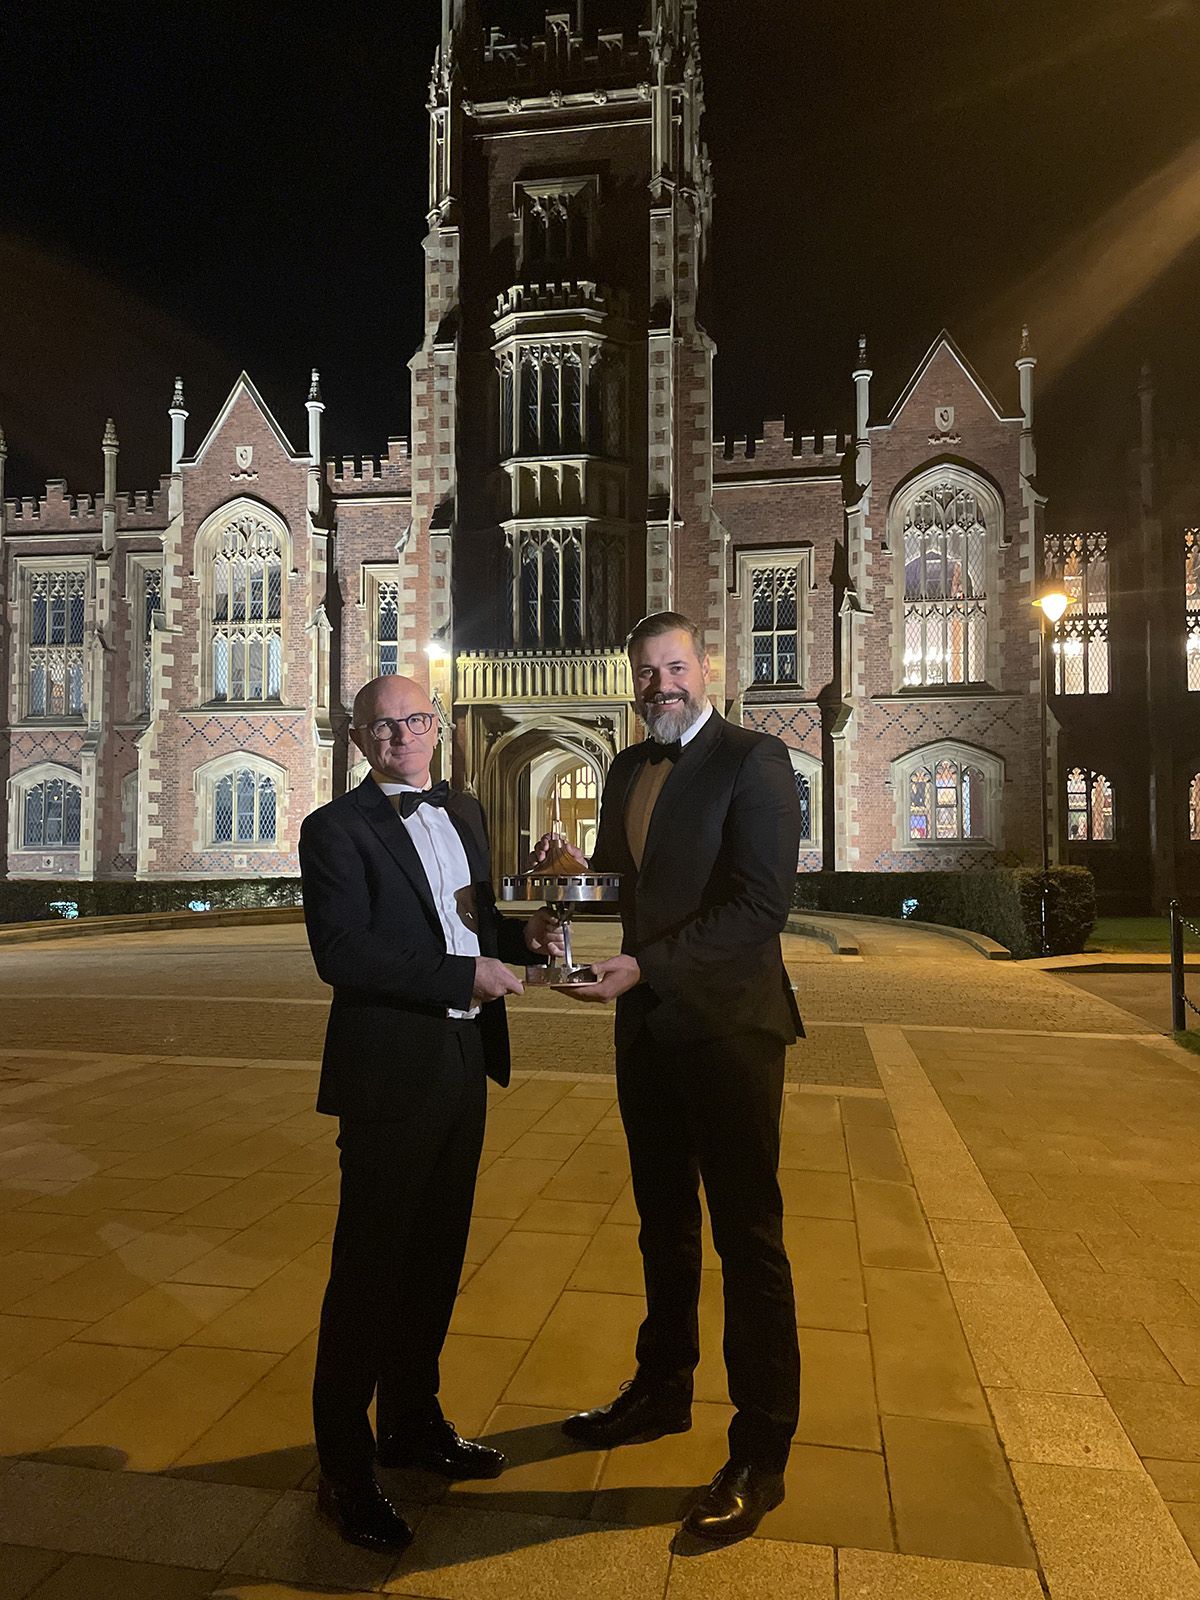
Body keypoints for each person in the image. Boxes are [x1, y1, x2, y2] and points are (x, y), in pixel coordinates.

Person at [534, 610, 803, 1542]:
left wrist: (646, 967)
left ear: (706, 668)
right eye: (646, 673)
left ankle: (761, 1453)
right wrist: (568, 877)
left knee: (748, 1240)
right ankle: (662, 1389)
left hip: (730, 1031)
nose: (660, 685)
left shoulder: (755, 762)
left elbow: (762, 907)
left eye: (674, 668)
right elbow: (622, 884)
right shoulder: (624, 767)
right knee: (663, 1227)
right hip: (649, 1034)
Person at [300, 674, 560, 1552]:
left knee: (438, 1255)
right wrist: (463, 977)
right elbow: (342, 953)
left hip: (461, 1061)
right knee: (369, 1269)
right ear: (357, 739)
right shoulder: (334, 830)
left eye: (413, 721)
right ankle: (344, 1466)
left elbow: (473, 919)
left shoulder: (467, 812)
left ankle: (412, 1422)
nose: (400, 736)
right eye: (382, 726)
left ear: (439, 728)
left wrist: (518, 936)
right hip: (387, 1073)